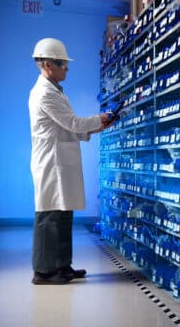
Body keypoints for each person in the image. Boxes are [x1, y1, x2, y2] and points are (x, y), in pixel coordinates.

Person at [28, 37, 115, 285]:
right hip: (50, 163)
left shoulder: (55, 91)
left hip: (60, 161)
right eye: (62, 64)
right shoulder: (44, 94)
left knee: (63, 215)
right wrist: (99, 118)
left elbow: (72, 129)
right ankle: (43, 272)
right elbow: (73, 123)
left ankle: (61, 267)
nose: (66, 68)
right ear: (47, 64)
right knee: (49, 218)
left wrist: (99, 126)